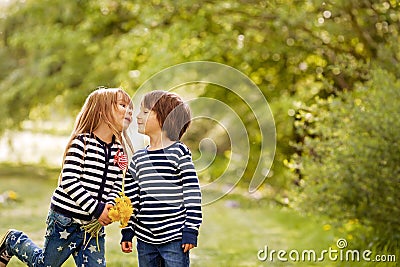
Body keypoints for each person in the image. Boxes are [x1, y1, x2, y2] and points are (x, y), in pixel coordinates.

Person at [0, 87, 134, 267]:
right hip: (65, 220)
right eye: (123, 105)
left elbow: (117, 184)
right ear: (102, 111)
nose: (130, 111)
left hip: (92, 228)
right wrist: (97, 208)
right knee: (45, 264)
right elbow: (69, 181)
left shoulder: (119, 151)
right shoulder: (82, 143)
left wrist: (109, 206)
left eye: (131, 108)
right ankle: (13, 240)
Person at [120, 90, 202, 267]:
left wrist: (191, 230)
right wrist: (128, 230)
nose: (137, 116)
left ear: (165, 118)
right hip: (145, 239)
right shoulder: (138, 159)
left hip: (174, 238)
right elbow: (132, 199)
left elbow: (192, 194)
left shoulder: (179, 153)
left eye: (145, 111)